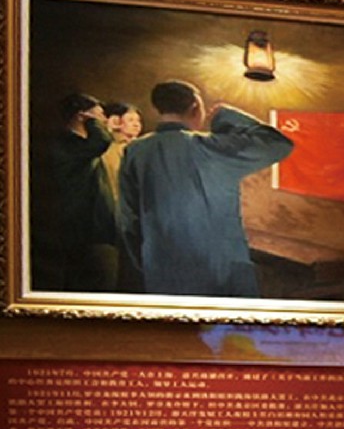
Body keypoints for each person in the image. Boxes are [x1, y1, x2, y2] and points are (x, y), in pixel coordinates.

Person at [115, 80, 294, 299]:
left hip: (162, 269)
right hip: (222, 268)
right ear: (195, 108)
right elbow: (278, 143)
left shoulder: (136, 151)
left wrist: (146, 262)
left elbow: (129, 219)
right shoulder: (212, 146)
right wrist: (226, 116)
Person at [29, 93, 116, 292]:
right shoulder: (68, 144)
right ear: (81, 116)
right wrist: (93, 122)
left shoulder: (80, 145)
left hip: (86, 224)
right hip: (76, 223)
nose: (105, 120)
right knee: (82, 280)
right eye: (99, 115)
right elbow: (102, 141)